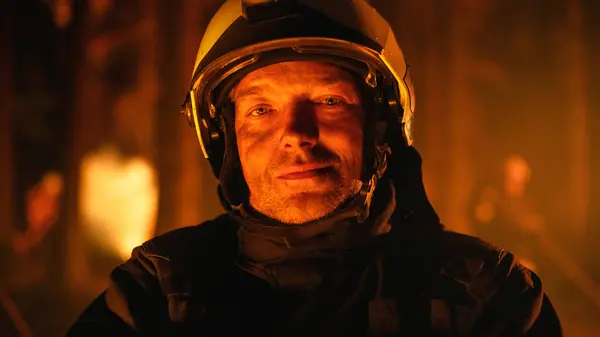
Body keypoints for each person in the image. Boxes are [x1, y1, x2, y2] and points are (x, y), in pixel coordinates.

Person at [66, 0, 562, 336]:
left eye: (328, 101)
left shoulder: (487, 299)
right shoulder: (152, 300)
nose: (297, 133)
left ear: (381, 125)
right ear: (225, 139)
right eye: (261, 109)